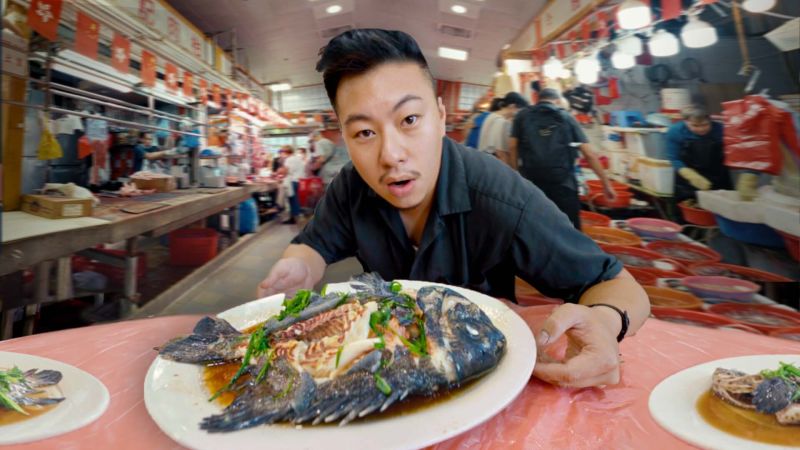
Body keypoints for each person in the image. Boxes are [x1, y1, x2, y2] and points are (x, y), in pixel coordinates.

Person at [257, 28, 649, 388]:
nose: (391, 154)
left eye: (410, 119)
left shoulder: (501, 197)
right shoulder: (351, 187)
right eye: (364, 132)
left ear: (441, 117)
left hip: (484, 379)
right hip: (393, 374)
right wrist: (299, 266)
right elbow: (313, 246)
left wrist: (605, 321)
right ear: (345, 137)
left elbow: (620, 286)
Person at [509, 88, 616, 229]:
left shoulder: (522, 116)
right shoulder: (566, 117)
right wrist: (606, 184)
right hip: (563, 185)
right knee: (568, 230)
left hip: (532, 184)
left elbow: (512, 147)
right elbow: (589, 154)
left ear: (537, 99)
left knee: (535, 229)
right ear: (558, 101)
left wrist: (516, 176)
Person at [666, 105, 732, 202]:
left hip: (718, 177)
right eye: (695, 125)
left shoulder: (721, 130)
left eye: (705, 124)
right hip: (688, 181)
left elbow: (734, 153)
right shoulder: (676, 131)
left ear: (710, 120)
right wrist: (689, 175)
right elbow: (674, 158)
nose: (701, 129)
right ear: (686, 122)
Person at [477, 92, 528, 165]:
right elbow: (501, 154)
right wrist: (512, 170)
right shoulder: (501, 121)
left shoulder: (491, 116)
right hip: (493, 165)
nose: (520, 115)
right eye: (520, 111)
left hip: (484, 162)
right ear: (512, 106)